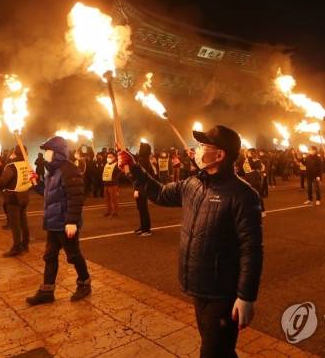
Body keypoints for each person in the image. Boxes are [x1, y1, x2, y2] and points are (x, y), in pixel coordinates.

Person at [119, 125, 263, 357]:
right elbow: (159, 193)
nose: (197, 150)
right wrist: (134, 170)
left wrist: (246, 296)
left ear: (220, 155)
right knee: (219, 348)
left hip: (222, 292)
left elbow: (251, 250)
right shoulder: (192, 184)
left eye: (203, 146)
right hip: (198, 285)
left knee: (213, 351)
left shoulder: (242, 195)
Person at [26, 136, 91, 305]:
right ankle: (47, 291)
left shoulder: (69, 169)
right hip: (53, 223)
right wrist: (35, 183)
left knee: (74, 255)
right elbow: (49, 195)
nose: (45, 154)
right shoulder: (52, 172)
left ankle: (84, 283)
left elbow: (76, 196)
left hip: (65, 222)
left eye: (48, 150)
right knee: (49, 256)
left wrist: (71, 221)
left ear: (57, 152)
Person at [0, 146, 32, 257]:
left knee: (15, 225)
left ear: (14, 153)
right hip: (24, 196)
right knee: (24, 223)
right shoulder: (27, 165)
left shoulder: (12, 166)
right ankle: (25, 245)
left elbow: (3, 182)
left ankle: (16, 247)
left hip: (13, 198)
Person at [132, 142, 156, 236]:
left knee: (143, 208)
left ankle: (146, 229)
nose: (138, 149)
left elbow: (140, 177)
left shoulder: (143, 161)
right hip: (142, 187)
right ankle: (143, 227)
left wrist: (137, 189)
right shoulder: (144, 159)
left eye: (140, 147)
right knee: (141, 208)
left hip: (141, 188)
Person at [102, 151, 121, 218]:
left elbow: (119, 173)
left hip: (113, 184)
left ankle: (115, 212)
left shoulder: (116, 164)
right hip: (106, 184)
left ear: (114, 158)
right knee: (107, 200)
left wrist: (114, 179)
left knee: (114, 199)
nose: (108, 158)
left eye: (110, 157)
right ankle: (108, 211)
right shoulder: (106, 164)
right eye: (108, 157)